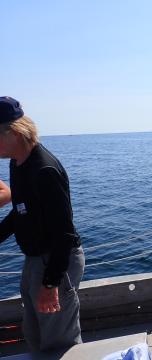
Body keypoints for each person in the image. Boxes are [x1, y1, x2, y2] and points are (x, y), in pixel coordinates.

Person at [0, 96, 85, 352]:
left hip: (56, 261)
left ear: (13, 133)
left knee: (60, 343)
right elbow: (21, 211)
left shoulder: (44, 169)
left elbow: (64, 232)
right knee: (35, 334)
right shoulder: (18, 163)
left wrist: (51, 283)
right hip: (35, 259)